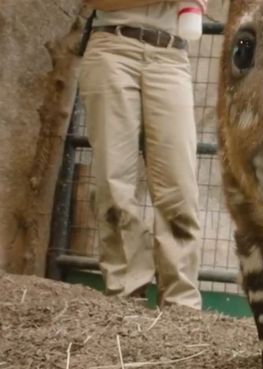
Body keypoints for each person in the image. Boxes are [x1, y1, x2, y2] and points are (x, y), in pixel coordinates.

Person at [78, 0, 208, 310]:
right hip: (112, 47)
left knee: (180, 187)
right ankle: (125, 294)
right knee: (115, 183)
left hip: (172, 56)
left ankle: (181, 303)